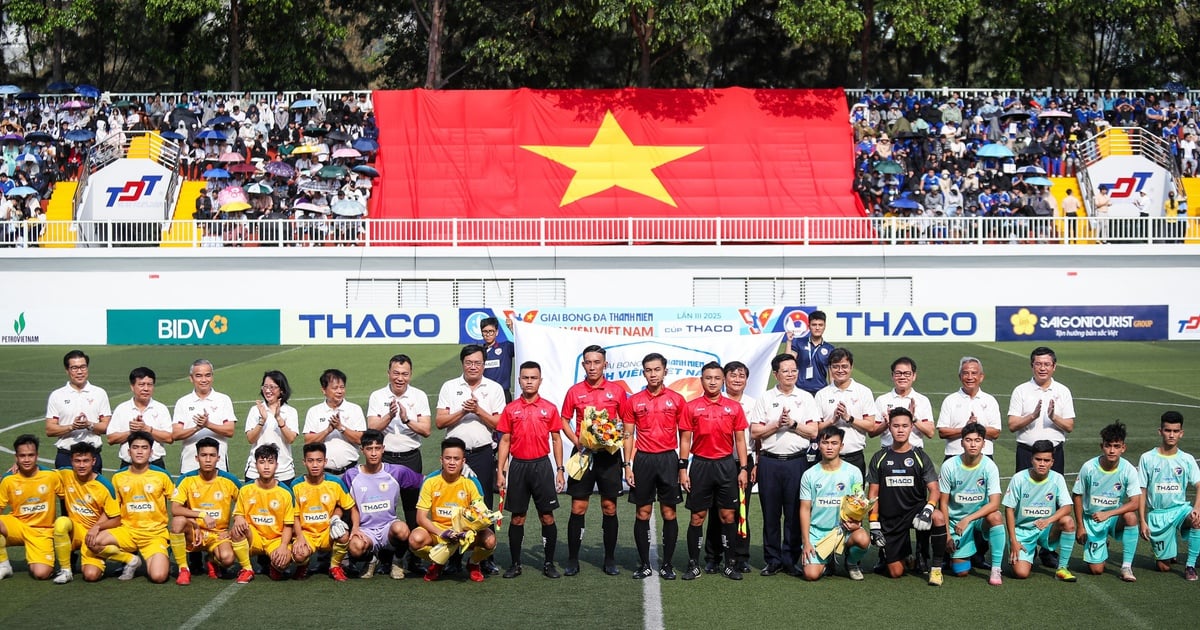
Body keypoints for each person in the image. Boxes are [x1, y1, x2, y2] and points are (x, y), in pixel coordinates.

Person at [558, 344, 628, 576]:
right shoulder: (574, 391)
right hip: (583, 455)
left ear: (605, 364)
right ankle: (572, 559)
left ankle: (609, 559)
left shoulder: (617, 391)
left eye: (597, 362)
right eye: (588, 362)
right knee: (579, 507)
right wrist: (577, 442)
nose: (592, 367)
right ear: (583, 364)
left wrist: (615, 438)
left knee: (609, 507)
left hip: (609, 457)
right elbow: (564, 420)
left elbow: (626, 423)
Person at [435, 345, 505, 575]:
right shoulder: (450, 387)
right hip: (455, 456)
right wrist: (463, 412)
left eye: (477, 363)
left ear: (484, 364)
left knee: (483, 505)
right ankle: (454, 556)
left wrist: (478, 410)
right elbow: (440, 422)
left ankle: (484, 557)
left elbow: (500, 425)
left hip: (483, 453)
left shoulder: (494, 388)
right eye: (469, 362)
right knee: (454, 505)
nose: (473, 366)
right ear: (462, 364)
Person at [678, 362, 750, 581]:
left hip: (726, 466)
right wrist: (682, 468)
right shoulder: (691, 407)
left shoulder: (734, 407)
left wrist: (744, 468)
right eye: (708, 378)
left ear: (723, 381)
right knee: (697, 516)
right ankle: (693, 564)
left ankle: (730, 564)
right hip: (700, 465)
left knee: (728, 516)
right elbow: (685, 439)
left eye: (716, 378)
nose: (712, 382)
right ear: (701, 380)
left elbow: (740, 440)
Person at [749, 354, 819, 576]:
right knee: (770, 514)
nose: (791, 374)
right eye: (786, 370)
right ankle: (772, 560)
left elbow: (814, 431)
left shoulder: (806, 398)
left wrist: (793, 424)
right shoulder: (766, 398)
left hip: (797, 462)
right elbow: (755, 431)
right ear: (775, 374)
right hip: (769, 463)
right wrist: (776, 424)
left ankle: (790, 559)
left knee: (794, 513)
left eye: (794, 370)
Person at [496, 361, 565, 579]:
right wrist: (500, 471)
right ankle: (515, 564)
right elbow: (505, 440)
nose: (529, 381)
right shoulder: (511, 409)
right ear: (519, 380)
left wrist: (560, 469)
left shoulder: (549, 408)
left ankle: (548, 563)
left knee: (547, 517)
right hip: (519, 467)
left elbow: (556, 440)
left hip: (542, 466)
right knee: (517, 518)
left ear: (540, 380)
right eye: (525, 378)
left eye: (533, 378)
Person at [365, 354, 432, 574]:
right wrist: (389, 415)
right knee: (383, 510)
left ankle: (414, 556)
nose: (400, 378)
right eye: (396, 373)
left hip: (411, 456)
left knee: (414, 508)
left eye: (404, 374)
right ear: (389, 373)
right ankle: (385, 557)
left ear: (410, 375)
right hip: (386, 459)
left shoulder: (419, 395)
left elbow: (427, 429)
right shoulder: (378, 396)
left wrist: (405, 419)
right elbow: (372, 429)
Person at [622, 353, 685, 580]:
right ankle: (645, 564)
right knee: (642, 512)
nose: (653, 374)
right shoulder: (634, 401)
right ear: (644, 372)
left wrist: (682, 466)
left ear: (665, 371)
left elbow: (684, 435)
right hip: (643, 461)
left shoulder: (677, 400)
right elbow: (628, 434)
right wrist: (627, 465)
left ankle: (667, 564)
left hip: (668, 459)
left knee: (669, 512)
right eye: (648, 370)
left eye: (657, 369)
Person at [866, 408, 946, 585]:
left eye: (904, 426)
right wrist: (873, 524)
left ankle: (936, 569)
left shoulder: (920, 456)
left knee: (938, 517)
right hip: (890, 516)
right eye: (896, 426)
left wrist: (928, 508)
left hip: (916, 511)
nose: (900, 430)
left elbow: (934, 489)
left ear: (911, 428)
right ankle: (905, 554)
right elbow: (873, 494)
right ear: (889, 428)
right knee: (896, 572)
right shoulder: (879, 457)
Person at [88, 431, 175, 583]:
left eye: (144, 447)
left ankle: (161, 552)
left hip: (154, 534)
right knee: (94, 542)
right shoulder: (118, 477)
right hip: (127, 531)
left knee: (159, 577)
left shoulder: (162, 475)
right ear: (129, 452)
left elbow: (177, 503)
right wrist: (97, 527)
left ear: (151, 452)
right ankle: (130, 559)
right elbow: (111, 510)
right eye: (135, 447)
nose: (140, 451)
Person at [409, 437, 497, 582]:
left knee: (490, 540)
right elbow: (421, 518)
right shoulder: (430, 481)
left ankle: (473, 563)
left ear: (463, 461)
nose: (451, 462)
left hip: (465, 531)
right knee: (415, 539)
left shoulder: (471, 482)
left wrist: (466, 530)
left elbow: (480, 514)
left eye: (456, 459)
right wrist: (443, 533)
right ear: (441, 460)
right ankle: (438, 562)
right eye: (447, 458)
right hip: (439, 530)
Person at [170, 437, 254, 585]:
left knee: (228, 559)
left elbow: (246, 505)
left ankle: (212, 560)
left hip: (218, 535)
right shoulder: (186, 479)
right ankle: (184, 569)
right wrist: (200, 516)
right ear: (197, 458)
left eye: (212, 455)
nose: (208, 460)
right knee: (178, 521)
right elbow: (175, 508)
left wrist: (231, 529)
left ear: (218, 458)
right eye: (204, 455)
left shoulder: (229, 480)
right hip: (194, 532)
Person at [343, 429, 423, 580]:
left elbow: (425, 480)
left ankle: (397, 560)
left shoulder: (396, 472)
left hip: (388, 528)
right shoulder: (351, 475)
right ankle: (371, 560)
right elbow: (339, 496)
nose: (373, 453)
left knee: (402, 530)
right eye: (369, 449)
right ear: (362, 450)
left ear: (383, 449)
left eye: (377, 448)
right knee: (354, 547)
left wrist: (458, 472)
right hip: (365, 531)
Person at [50, 442, 135, 583]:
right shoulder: (65, 474)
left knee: (91, 576)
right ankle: (66, 570)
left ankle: (129, 559)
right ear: (71, 461)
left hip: (94, 536)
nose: (81, 465)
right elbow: (40, 472)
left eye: (86, 461)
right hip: (75, 530)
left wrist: (97, 527)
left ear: (93, 461)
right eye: (77, 461)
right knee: (61, 523)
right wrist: (15, 468)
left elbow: (116, 519)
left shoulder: (104, 486)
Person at [1072, 422, 1142, 581]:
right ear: (1101, 446)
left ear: (1123, 448)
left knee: (1130, 516)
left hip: (1113, 518)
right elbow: (1077, 495)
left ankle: (1126, 567)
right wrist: (1080, 526)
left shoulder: (1129, 469)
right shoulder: (1089, 467)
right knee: (1096, 570)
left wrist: (1108, 514)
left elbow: (1135, 503)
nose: (1112, 450)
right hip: (1092, 519)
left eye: (1116, 446)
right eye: (1108, 446)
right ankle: (1102, 543)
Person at [799, 425, 870, 581]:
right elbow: (804, 509)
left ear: (841, 446)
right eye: (825, 443)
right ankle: (827, 561)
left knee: (863, 539)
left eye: (834, 443)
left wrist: (857, 523)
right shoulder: (809, 475)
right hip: (818, 533)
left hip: (843, 531)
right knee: (811, 575)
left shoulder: (853, 472)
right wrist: (806, 542)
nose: (829, 447)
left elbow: (860, 504)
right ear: (818, 445)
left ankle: (851, 562)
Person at [938, 423, 1005, 585]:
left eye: (977, 440)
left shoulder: (989, 466)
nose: (973, 444)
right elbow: (943, 503)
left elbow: (995, 503)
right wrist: (947, 534)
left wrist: (968, 519)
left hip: (977, 520)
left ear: (984, 443)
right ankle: (958, 553)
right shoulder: (949, 466)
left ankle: (996, 569)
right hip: (955, 522)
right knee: (961, 572)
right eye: (968, 440)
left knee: (996, 517)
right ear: (961, 443)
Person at [1002, 439, 1078, 582]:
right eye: (1038, 459)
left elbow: (1067, 506)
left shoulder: (1057, 478)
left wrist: (1048, 520)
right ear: (1032, 459)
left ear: (1052, 462)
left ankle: (1062, 568)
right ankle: (1030, 552)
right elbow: (1009, 509)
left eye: (1046, 460)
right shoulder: (1019, 478)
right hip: (1023, 531)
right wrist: (1013, 540)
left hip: (1047, 530)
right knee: (1021, 573)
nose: (1042, 464)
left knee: (1068, 521)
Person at [705, 361, 755, 573]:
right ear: (724, 379)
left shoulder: (753, 403)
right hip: (718, 463)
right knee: (716, 511)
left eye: (741, 375)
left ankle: (740, 557)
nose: (737, 379)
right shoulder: (717, 401)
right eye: (732, 375)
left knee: (741, 510)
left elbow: (758, 437)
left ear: (746, 379)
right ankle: (713, 556)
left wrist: (754, 464)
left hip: (744, 463)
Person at [1137, 410, 1200, 580]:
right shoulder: (1147, 458)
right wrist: (1142, 521)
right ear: (1160, 431)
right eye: (1167, 430)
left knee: (1197, 519)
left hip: (1180, 510)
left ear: (1181, 433)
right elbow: (1141, 491)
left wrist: (1196, 508)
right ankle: (1169, 552)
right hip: (1158, 515)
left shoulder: (1187, 459)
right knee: (1163, 567)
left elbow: (1199, 484)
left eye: (1175, 431)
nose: (1171, 435)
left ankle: (1190, 565)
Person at [0, 435, 63, 580]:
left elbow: (66, 497)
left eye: (30, 455)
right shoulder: (8, 480)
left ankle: (36, 557)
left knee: (42, 574)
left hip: (42, 531)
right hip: (17, 525)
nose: (26, 460)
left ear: (37, 456)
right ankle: (4, 565)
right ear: (16, 457)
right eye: (22, 456)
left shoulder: (50, 476)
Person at [290, 442, 355, 581]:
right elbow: (294, 516)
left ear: (325, 462)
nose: (315, 465)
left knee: (343, 535)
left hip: (327, 532)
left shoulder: (335, 483)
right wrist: (300, 537)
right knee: (299, 554)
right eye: (310, 461)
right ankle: (303, 565)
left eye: (319, 461)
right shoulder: (296, 485)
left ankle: (335, 566)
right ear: (304, 462)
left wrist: (353, 528)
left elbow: (350, 507)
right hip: (307, 534)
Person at [231, 444, 295, 581]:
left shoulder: (285, 493)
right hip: (254, 537)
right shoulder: (246, 490)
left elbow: (288, 525)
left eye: (270, 462)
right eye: (262, 462)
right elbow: (238, 513)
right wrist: (238, 518)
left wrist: (283, 546)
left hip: (275, 540)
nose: (266, 467)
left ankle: (274, 565)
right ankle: (247, 568)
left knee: (283, 562)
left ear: (276, 465)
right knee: (236, 531)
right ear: (256, 465)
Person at [1009, 346, 1075, 475]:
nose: (1043, 368)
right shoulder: (1020, 390)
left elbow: (1069, 426)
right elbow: (1012, 425)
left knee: (1053, 493)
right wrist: (1032, 416)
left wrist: (1053, 417)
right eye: (1038, 364)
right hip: (1026, 453)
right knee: (1025, 492)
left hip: (1054, 454)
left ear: (1054, 367)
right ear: (1032, 366)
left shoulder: (1063, 391)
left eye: (1047, 364)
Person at [815, 348, 879, 474]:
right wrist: (832, 420)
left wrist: (848, 418)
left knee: (854, 494)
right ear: (830, 368)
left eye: (844, 366)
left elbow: (871, 426)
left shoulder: (863, 392)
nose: (840, 370)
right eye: (836, 367)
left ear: (851, 367)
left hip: (854, 458)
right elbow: (815, 429)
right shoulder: (821, 394)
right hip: (826, 459)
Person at [45, 350, 111, 471]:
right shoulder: (57, 395)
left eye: (83, 367)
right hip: (66, 456)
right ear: (67, 370)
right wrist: (71, 427)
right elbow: (49, 430)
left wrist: (89, 425)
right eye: (74, 368)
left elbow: (108, 427)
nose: (79, 371)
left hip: (92, 456)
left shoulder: (99, 393)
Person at [172, 359, 237, 474]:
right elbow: (176, 434)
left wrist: (208, 424)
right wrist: (197, 428)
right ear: (191, 378)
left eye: (207, 375)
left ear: (212, 377)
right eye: (199, 376)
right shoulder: (183, 402)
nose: (204, 380)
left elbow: (230, 430)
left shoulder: (223, 399)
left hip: (218, 466)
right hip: (190, 466)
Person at [302, 369, 366, 476]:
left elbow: (361, 439)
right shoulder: (314, 411)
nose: (339, 391)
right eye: (335, 388)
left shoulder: (355, 409)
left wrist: (341, 428)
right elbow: (308, 441)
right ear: (323, 390)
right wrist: (327, 430)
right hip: (324, 474)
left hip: (350, 471)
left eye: (342, 387)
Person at [107, 367, 173, 469]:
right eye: (141, 385)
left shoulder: (161, 408)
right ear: (132, 387)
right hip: (128, 465)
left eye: (149, 385)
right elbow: (111, 439)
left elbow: (169, 437)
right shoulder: (122, 408)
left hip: (155, 465)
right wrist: (131, 432)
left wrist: (147, 429)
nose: (146, 389)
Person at [937, 357, 1003, 460]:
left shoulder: (990, 400)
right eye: (966, 373)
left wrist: (975, 428)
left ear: (981, 377)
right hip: (954, 456)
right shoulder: (950, 400)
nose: (970, 377)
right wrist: (966, 428)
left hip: (984, 457)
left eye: (974, 373)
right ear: (960, 376)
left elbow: (995, 432)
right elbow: (942, 432)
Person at [244, 371, 299, 484]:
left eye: (272, 387)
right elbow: (250, 439)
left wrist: (278, 418)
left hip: (283, 471)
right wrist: (262, 421)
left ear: (281, 390)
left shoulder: (290, 411)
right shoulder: (255, 410)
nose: (268, 390)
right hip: (256, 472)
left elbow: (291, 439)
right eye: (265, 386)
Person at [875, 357, 934, 450]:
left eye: (907, 373)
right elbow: (872, 432)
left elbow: (930, 432)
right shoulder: (882, 400)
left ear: (914, 376)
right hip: (888, 452)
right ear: (892, 375)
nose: (902, 377)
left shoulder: (923, 400)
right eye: (898, 373)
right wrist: (886, 423)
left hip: (914, 452)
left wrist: (913, 419)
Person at [785, 310, 835, 395]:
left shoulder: (830, 348)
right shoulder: (798, 342)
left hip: (820, 391)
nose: (817, 328)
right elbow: (787, 361)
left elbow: (832, 375)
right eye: (814, 325)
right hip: (800, 390)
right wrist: (789, 341)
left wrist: (833, 393)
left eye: (820, 325)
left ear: (824, 326)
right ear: (809, 326)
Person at [480, 316, 515, 402]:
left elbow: (522, 345)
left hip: (503, 393)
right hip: (484, 394)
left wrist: (513, 329)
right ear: (481, 333)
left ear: (497, 332)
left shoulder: (506, 347)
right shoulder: (479, 352)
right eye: (485, 331)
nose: (488, 334)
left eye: (491, 331)